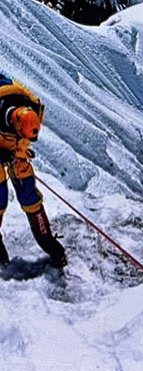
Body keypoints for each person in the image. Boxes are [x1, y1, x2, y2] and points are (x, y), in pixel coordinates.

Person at [0, 72, 67, 268]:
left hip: (14, 146)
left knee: (29, 194)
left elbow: (24, 139)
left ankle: (49, 243)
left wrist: (16, 153)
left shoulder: (30, 107)